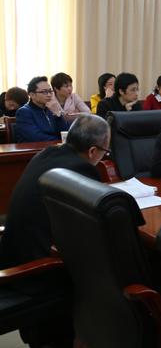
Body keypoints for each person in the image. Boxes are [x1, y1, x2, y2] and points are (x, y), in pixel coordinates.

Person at [0, 114, 109, 268]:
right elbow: (91, 227)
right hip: (35, 268)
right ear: (92, 151)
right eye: (106, 152)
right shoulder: (81, 170)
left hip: (10, 254)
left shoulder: (45, 153)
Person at [15, 76, 70, 143]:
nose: (49, 95)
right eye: (44, 92)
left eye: (50, 91)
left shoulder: (51, 109)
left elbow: (65, 132)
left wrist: (58, 114)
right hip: (34, 148)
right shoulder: (24, 112)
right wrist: (59, 141)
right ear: (32, 95)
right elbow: (35, 137)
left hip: (54, 146)